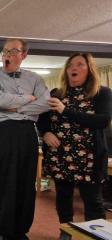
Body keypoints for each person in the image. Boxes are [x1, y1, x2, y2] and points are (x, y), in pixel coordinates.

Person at [0, 38, 50, 240]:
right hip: (2, 132)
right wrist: (29, 100)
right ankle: (4, 231)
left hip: (28, 132)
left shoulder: (35, 78)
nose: (7, 55)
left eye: (13, 51)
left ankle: (21, 231)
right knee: (5, 183)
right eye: (4, 51)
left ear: (24, 55)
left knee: (26, 184)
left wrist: (15, 107)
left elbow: (45, 104)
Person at [37, 53, 112, 225]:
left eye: (80, 64)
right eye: (70, 65)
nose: (74, 68)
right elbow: (42, 120)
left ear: (90, 70)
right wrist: (46, 133)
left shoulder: (101, 93)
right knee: (63, 199)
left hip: (89, 160)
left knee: (93, 202)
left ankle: (96, 235)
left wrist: (66, 110)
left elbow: (103, 121)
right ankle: (65, 230)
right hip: (60, 156)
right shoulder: (56, 93)